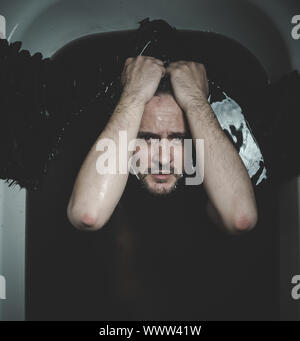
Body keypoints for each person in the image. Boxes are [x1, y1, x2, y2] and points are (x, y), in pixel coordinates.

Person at [67, 55, 258, 234]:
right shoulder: (111, 150)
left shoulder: (205, 174)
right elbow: (88, 214)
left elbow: (241, 218)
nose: (163, 158)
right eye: (148, 138)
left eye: (178, 139)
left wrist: (195, 101)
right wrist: (134, 96)